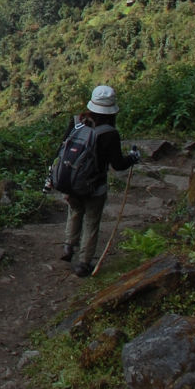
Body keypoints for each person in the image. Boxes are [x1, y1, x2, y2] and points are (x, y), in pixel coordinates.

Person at [59, 84, 140, 277]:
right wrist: (133, 158)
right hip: (95, 186)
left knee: (75, 211)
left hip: (71, 181)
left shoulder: (77, 122)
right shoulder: (109, 133)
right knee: (91, 222)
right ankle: (83, 264)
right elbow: (117, 165)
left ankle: (68, 246)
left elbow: (62, 149)